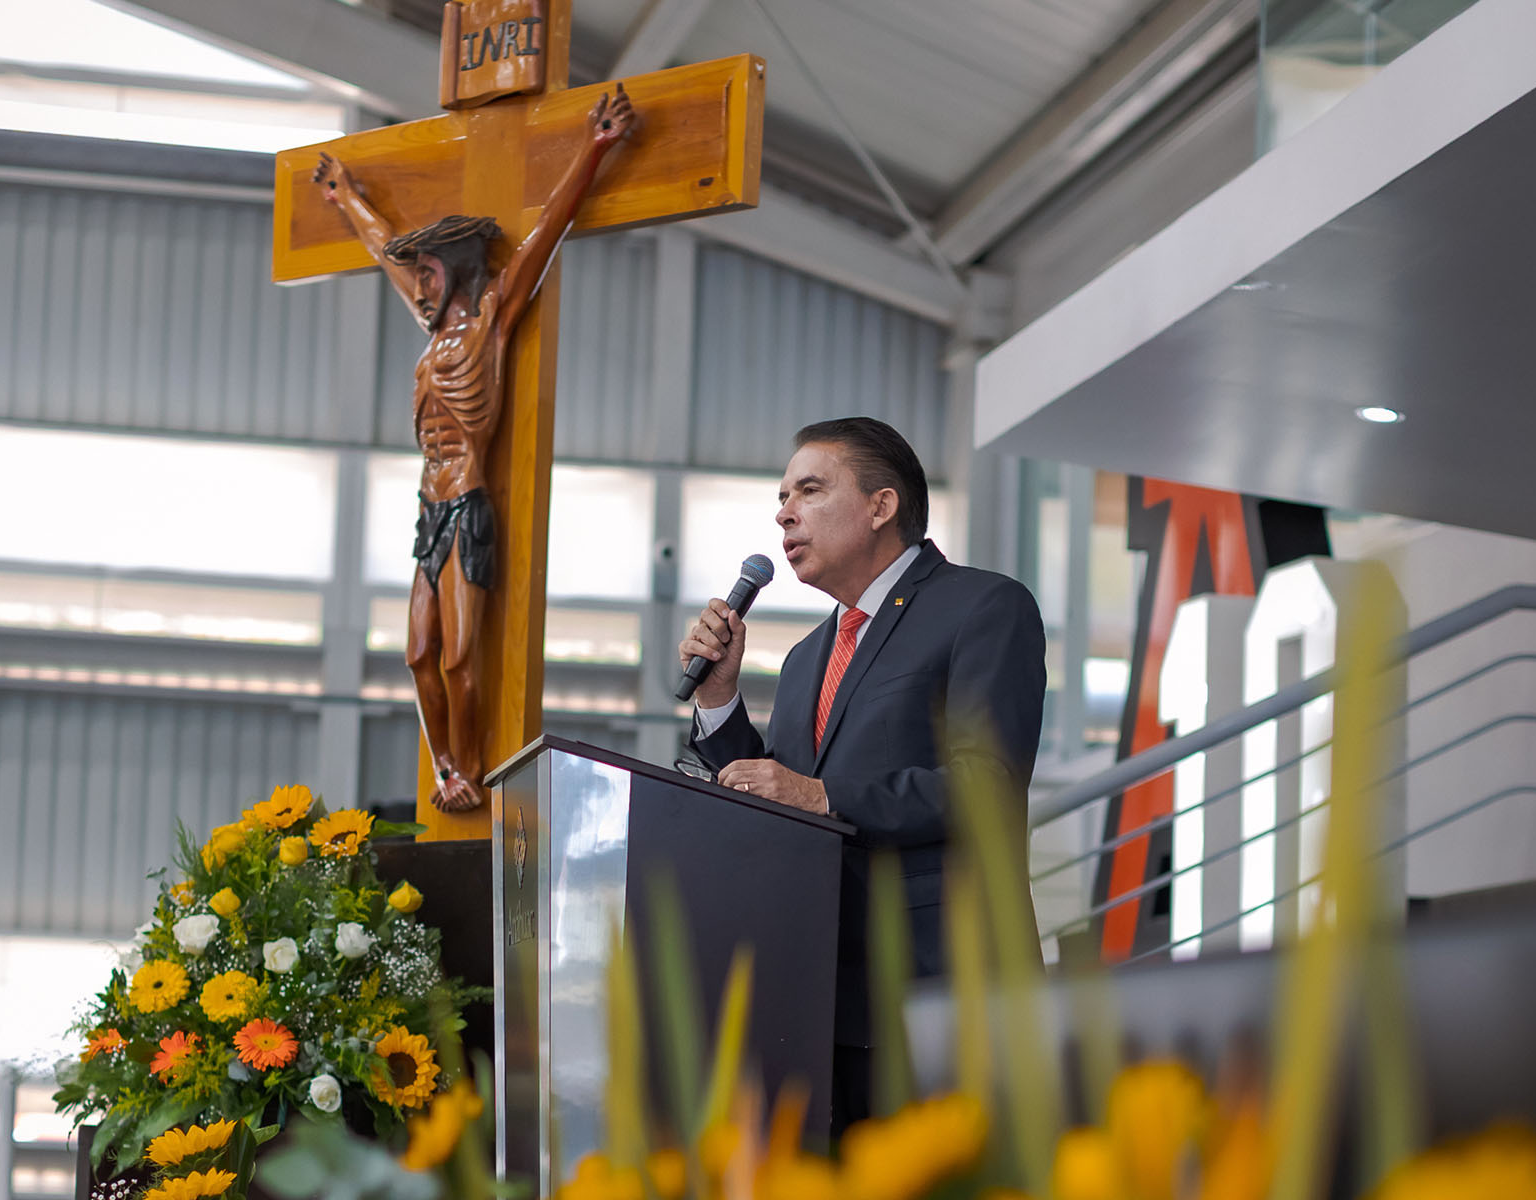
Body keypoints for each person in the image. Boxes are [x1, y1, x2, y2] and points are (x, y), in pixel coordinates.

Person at [678, 416, 1045, 1134]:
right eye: (781, 498)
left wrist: (821, 794)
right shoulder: (807, 657)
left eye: (809, 490)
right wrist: (720, 699)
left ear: (881, 506)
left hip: (942, 995)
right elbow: (772, 801)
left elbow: (987, 785)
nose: (785, 512)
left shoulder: (982, 606)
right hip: (817, 993)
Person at [314, 85, 637, 813]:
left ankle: (473, 770)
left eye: (428, 271)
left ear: (458, 269)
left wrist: (593, 148)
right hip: (428, 512)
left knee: (460, 656)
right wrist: (346, 197)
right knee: (416, 655)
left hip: (467, 504)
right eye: (417, 274)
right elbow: (380, 252)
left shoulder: (490, 321)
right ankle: (446, 769)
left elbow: (547, 232)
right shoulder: (431, 331)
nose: (419, 284)